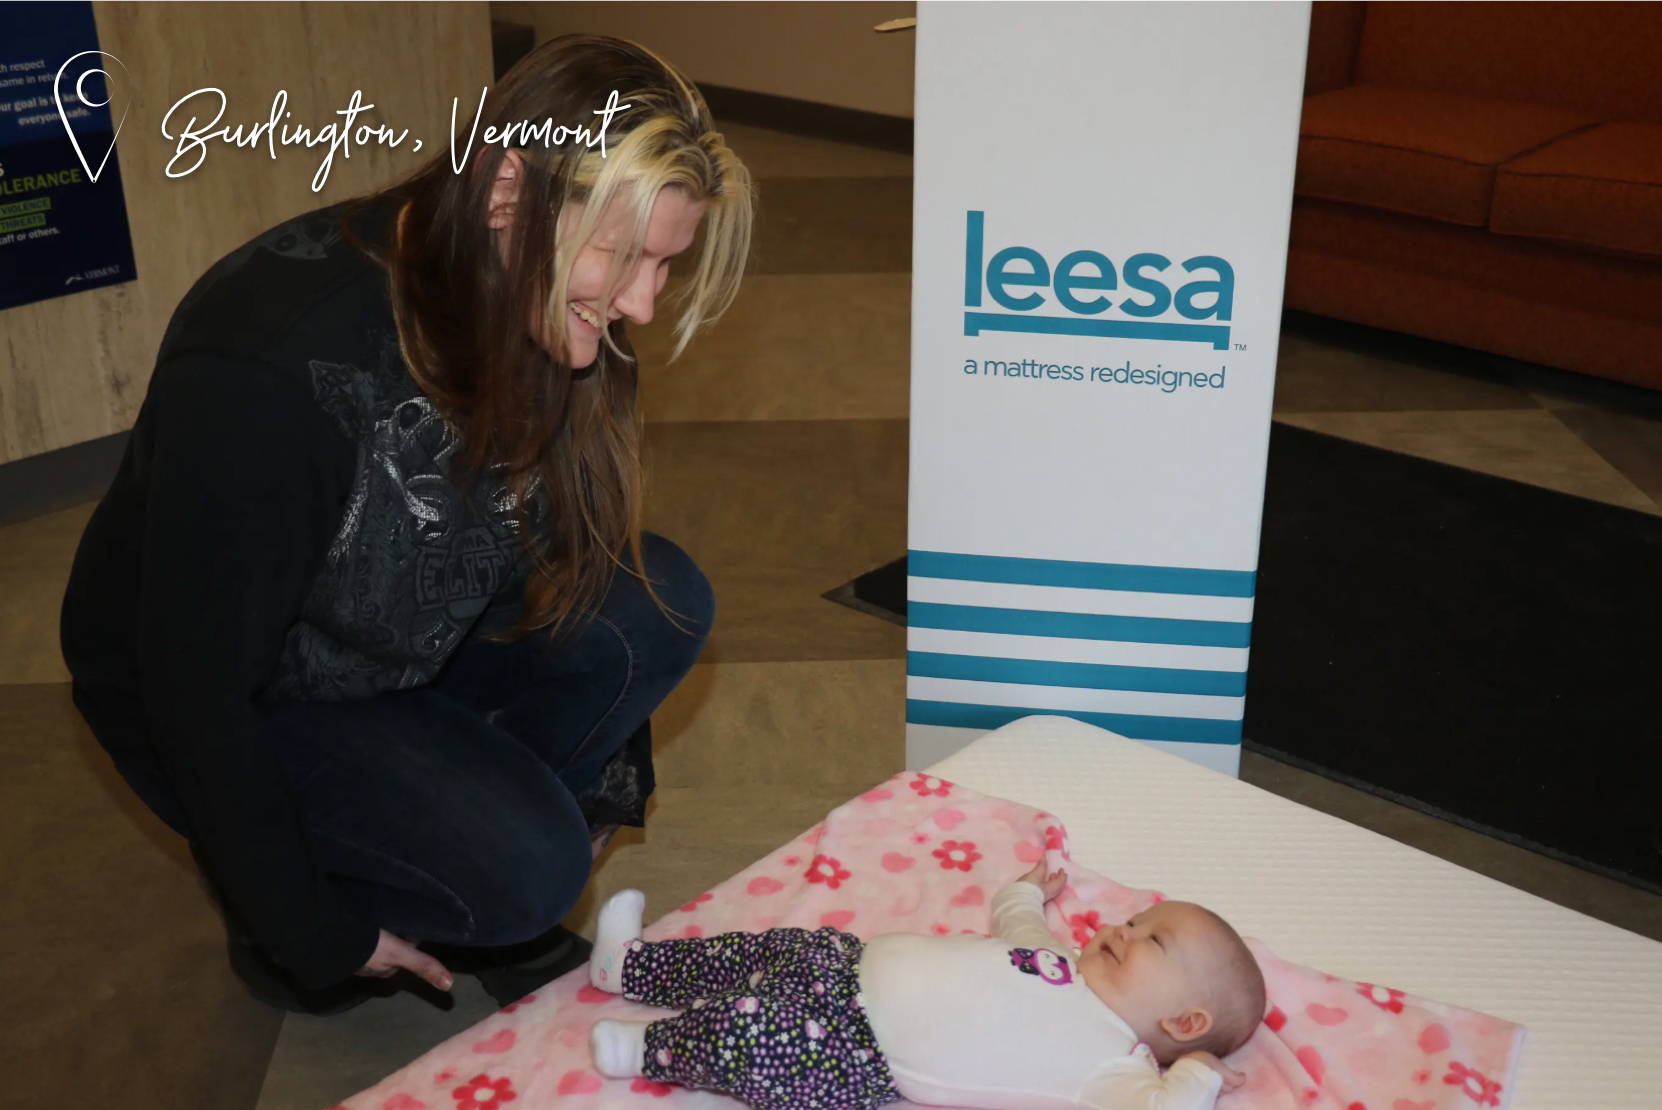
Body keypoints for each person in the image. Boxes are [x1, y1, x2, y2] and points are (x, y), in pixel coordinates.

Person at [58, 34, 754, 1013]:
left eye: (665, 264)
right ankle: (347, 885)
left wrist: (603, 778)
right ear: (509, 195)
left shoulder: (540, 291)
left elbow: (570, 541)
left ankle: (455, 864)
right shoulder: (272, 366)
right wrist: (309, 928)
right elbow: (189, 689)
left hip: (395, 633)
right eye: (626, 256)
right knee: (531, 871)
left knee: (661, 602)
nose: (641, 301)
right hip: (249, 697)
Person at [586, 865, 1266, 1110]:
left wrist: (1198, 1078)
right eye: (1135, 918)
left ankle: (647, 1050)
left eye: (1153, 940)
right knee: (756, 953)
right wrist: (1029, 888)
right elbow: (1015, 917)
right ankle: (629, 968)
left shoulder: (1110, 1069)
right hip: (844, 963)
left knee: (751, 1036)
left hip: (858, 1056)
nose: (1124, 926)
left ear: (1184, 1022)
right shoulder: (1054, 958)